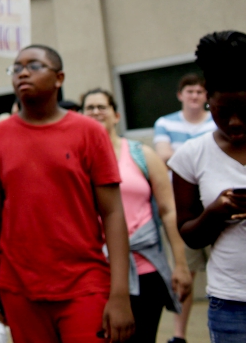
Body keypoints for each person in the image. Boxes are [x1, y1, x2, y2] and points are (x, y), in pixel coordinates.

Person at [0, 45, 135, 343]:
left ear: (59, 78)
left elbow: (113, 213)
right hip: (18, 288)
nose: (22, 72)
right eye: (16, 68)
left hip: (84, 284)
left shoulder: (89, 132)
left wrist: (120, 293)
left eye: (34, 66)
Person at [81, 89, 193, 343]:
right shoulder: (77, 159)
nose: (96, 112)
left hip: (144, 268)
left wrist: (181, 264)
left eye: (102, 107)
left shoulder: (143, 155)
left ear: (116, 115)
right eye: (89, 108)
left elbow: (168, 210)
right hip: (96, 270)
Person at [168, 31, 246, 341]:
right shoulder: (191, 155)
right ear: (208, 103)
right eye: (222, 113)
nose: (236, 123)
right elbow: (189, 234)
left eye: (245, 111)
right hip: (232, 306)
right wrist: (214, 213)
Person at [153, 73, 216, 343]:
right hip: (184, 208)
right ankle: (179, 335)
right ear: (180, 95)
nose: (194, 96)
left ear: (206, 96)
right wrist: (206, 156)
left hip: (216, 204)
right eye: (189, 91)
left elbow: (174, 157)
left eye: (199, 92)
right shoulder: (165, 122)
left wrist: (182, 158)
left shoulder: (217, 120)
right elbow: (163, 157)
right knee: (184, 274)